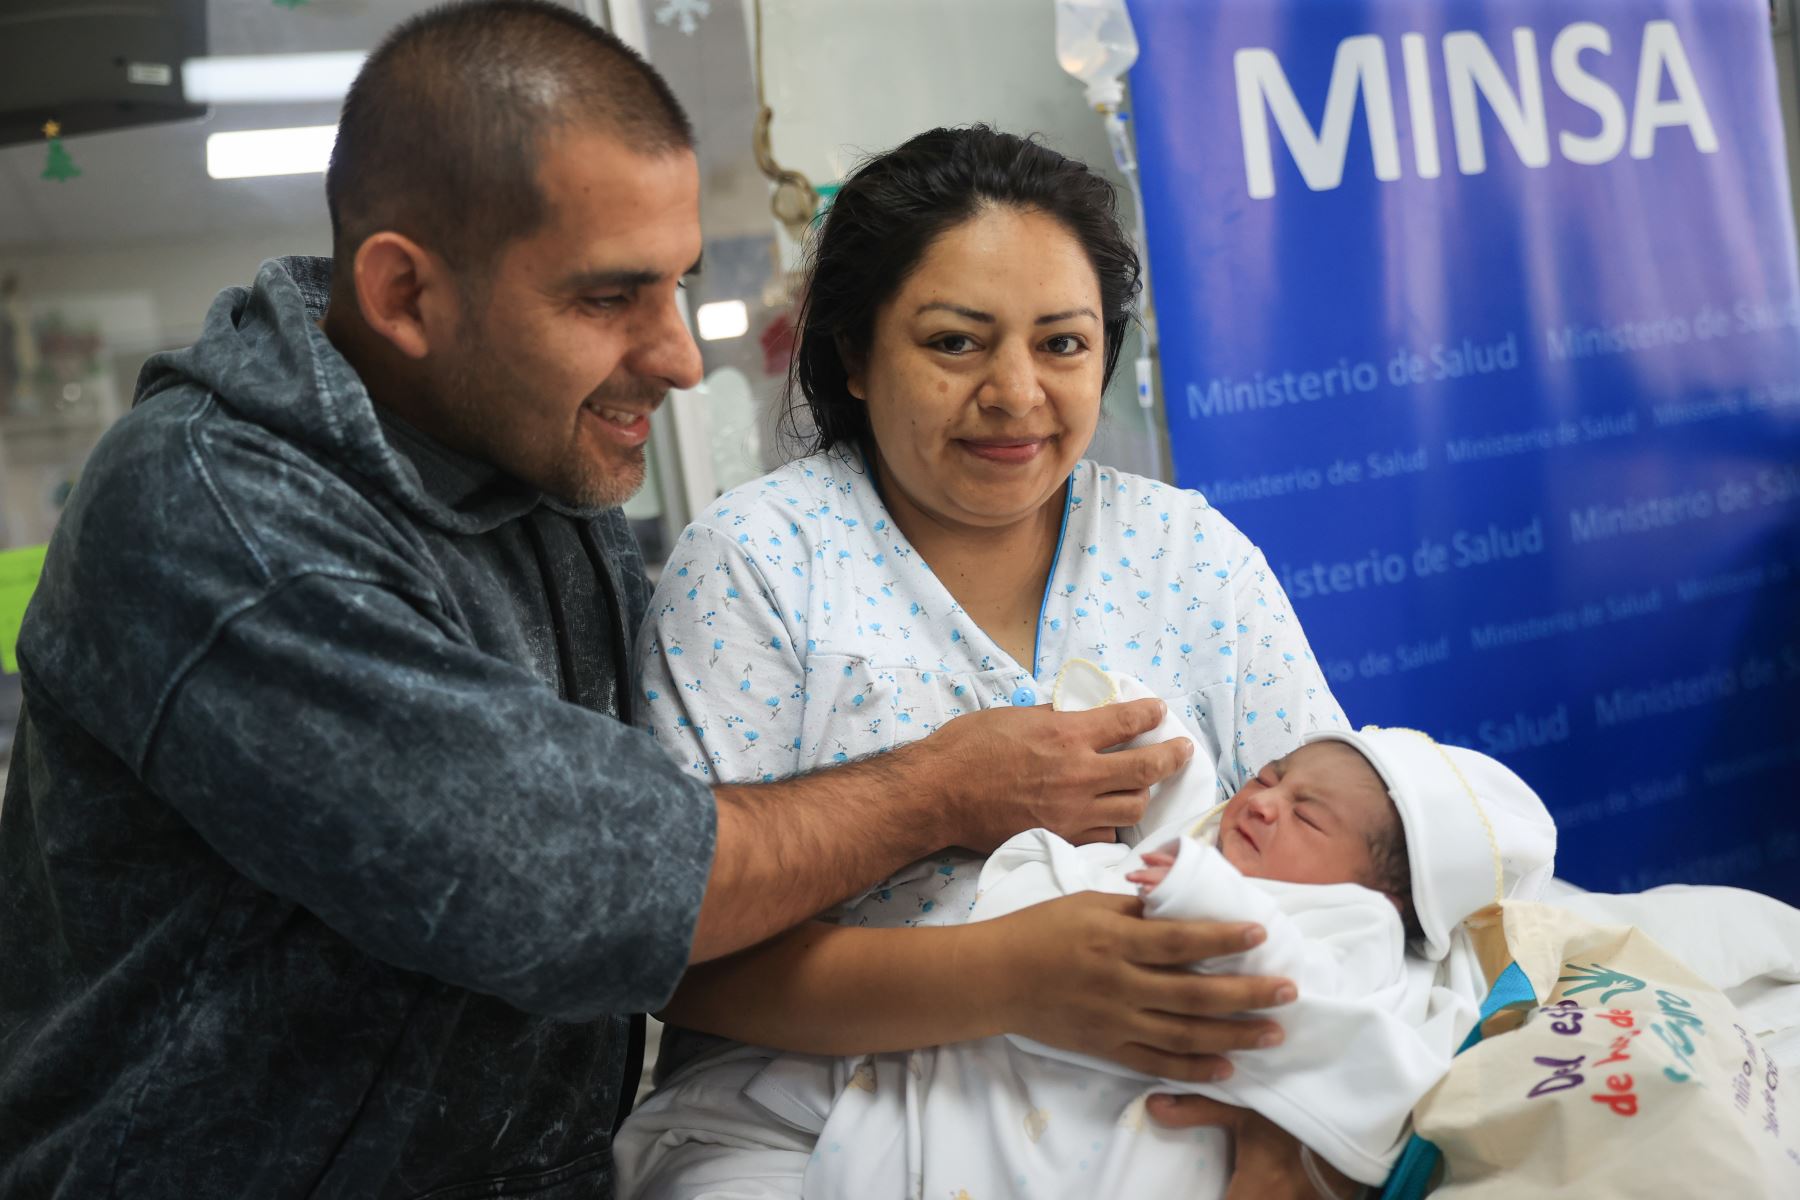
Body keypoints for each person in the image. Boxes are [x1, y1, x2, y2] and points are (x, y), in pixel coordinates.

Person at [0, 7, 1261, 1198]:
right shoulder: (221, 518)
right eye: (609, 297)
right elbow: (582, 889)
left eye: (677, 284)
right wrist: (944, 792)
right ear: (402, 296)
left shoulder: (532, 471)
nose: (677, 353)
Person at [619, 127, 1354, 1196]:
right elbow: (681, 959)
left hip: (1149, 1105)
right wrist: (1008, 977)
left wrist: (1291, 1120)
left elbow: (1338, 871)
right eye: (958, 343)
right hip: (807, 1120)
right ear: (855, 357)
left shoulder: (1190, 557)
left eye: (1062, 344)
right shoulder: (759, 565)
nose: (1016, 394)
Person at [622, 685, 1559, 1200]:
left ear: (1384, 895)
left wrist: (1191, 888)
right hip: (888, 1076)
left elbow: (1319, 1009)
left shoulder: (1349, 926)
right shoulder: (755, 557)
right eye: (1268, 777)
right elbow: (658, 942)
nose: (1262, 799)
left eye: (1303, 813)